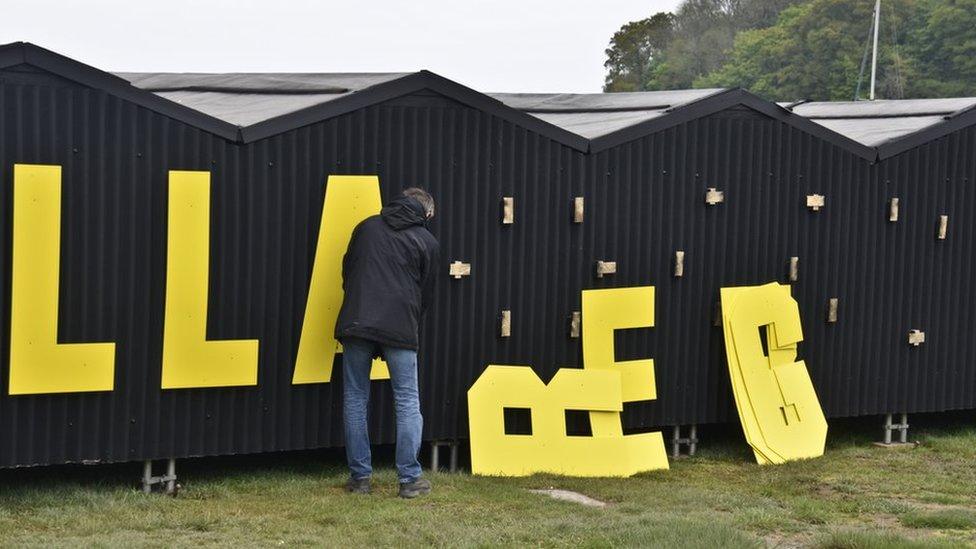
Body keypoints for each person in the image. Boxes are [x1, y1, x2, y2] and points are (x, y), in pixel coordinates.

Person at [335, 187, 440, 498]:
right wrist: (406, 322)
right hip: (401, 328)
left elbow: (347, 270)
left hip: (357, 322)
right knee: (407, 402)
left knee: (355, 399)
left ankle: (360, 480)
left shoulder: (366, 227)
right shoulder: (427, 241)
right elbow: (426, 295)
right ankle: (409, 480)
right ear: (427, 213)